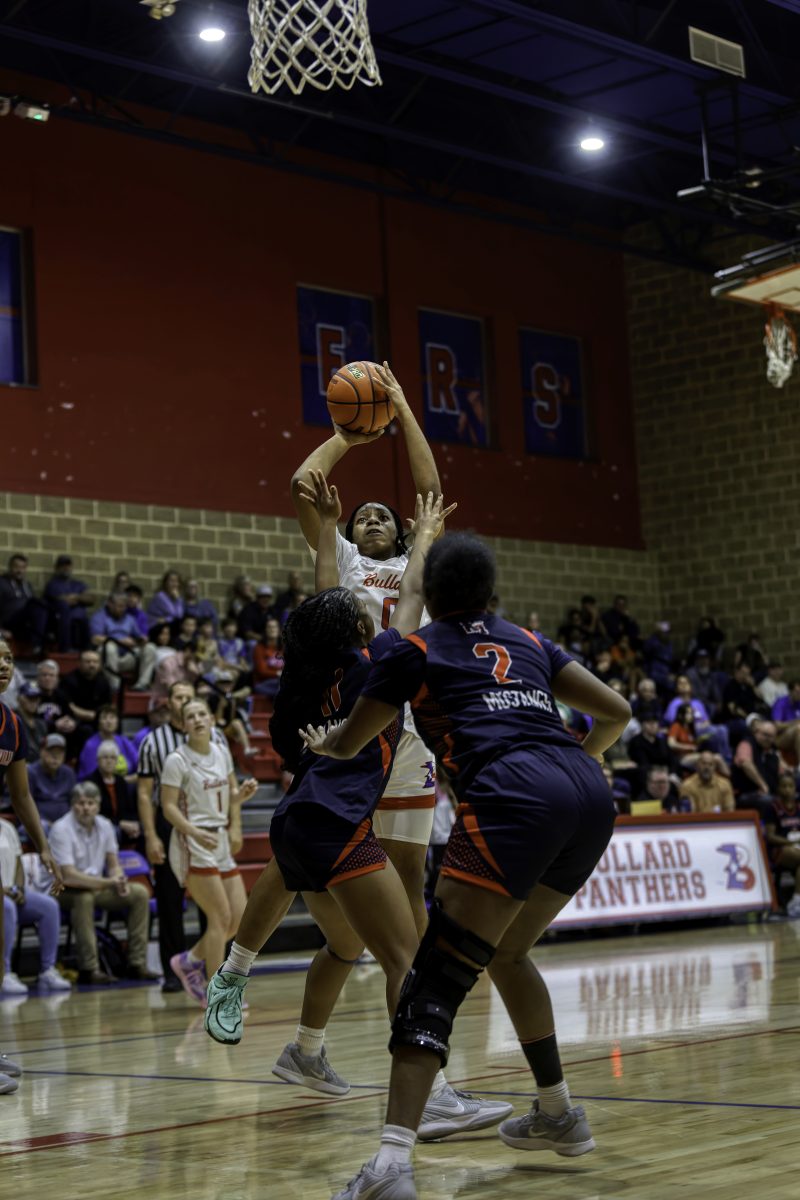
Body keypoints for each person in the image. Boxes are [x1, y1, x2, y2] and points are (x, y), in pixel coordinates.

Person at [298, 533, 630, 1200]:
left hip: (513, 795)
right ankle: (559, 1112)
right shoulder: (529, 640)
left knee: (435, 979)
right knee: (508, 954)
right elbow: (617, 712)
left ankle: (390, 1167)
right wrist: (577, 761)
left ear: (429, 594)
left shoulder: (414, 650)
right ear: (489, 591)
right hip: (588, 795)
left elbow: (355, 739)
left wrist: (327, 746)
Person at [207, 494, 506, 1140]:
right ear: (363, 630)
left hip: (298, 823)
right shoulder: (381, 664)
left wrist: (326, 533)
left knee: (346, 944)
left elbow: (325, 595)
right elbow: (412, 594)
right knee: (408, 961)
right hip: (338, 829)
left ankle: (284, 1026)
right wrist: (425, 539)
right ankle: (432, 1099)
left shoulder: (313, 670)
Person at [289, 363, 442, 938]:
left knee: (410, 876)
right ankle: (349, 953)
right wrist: (346, 439)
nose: (371, 520)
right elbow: (302, 485)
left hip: (411, 725)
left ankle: (415, 978)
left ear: (402, 531)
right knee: (346, 873)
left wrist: (400, 407)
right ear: (348, 533)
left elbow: (430, 494)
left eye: (382, 516)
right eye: (362, 518)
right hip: (352, 715)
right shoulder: (345, 559)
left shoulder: (417, 561)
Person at [0, 636, 65, 1095]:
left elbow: (21, 795)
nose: (4, 665)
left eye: (7, 658)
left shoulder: (11, 724)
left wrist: (43, 847)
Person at [160, 699, 256, 1004]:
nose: (198, 719)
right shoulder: (177, 760)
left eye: (202, 714)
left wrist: (239, 797)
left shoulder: (221, 752)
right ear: (182, 725)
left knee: (238, 918)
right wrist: (194, 831)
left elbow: (227, 797)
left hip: (219, 839)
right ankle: (219, 996)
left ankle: (188, 960)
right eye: (190, 716)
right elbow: (168, 807)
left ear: (212, 719)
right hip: (192, 841)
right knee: (219, 918)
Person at [136, 681, 229, 992]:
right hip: (172, 825)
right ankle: (173, 973)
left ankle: (205, 967)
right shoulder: (154, 742)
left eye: (190, 697)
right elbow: (145, 794)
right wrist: (151, 835)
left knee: (218, 910)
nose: (184, 702)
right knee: (170, 902)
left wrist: (234, 825)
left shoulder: (217, 739)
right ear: (169, 703)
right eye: (179, 698)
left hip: (210, 824)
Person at [50, 783, 157, 985]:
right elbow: (69, 876)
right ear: (72, 805)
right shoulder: (60, 829)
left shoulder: (105, 825)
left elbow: (113, 864)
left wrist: (120, 878)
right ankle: (89, 968)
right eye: (81, 803)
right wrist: (109, 882)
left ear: (98, 806)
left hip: (98, 886)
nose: (86, 808)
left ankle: (137, 963)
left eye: (90, 803)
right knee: (84, 898)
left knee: (139, 893)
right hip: (63, 890)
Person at [2, 818, 71, 994]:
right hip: (4, 896)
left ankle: (48, 970)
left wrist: (19, 889)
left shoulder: (7, 828)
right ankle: (4, 972)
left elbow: (18, 863)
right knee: (7, 907)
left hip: (11, 892)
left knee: (49, 906)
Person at [90, 592, 158, 692]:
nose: (122, 609)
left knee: (150, 647)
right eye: (119, 606)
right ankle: (115, 686)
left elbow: (138, 636)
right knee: (109, 646)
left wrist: (141, 639)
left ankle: (142, 684)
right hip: (106, 658)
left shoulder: (129, 618)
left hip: (127, 656)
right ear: (110, 604)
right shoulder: (99, 617)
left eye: (124, 606)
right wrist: (119, 641)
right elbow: (95, 639)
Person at [88, 740, 141, 847]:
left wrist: (133, 823)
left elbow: (129, 809)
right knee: (114, 831)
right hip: (100, 826)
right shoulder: (91, 783)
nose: (109, 761)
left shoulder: (120, 781)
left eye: (112, 758)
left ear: (117, 761)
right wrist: (120, 824)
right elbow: (95, 814)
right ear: (98, 760)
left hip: (123, 824)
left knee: (143, 830)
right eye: (105, 757)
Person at [58, 649, 113, 751]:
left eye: (95, 662)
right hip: (74, 721)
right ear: (79, 663)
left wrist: (95, 716)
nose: (92, 665)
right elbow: (70, 708)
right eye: (88, 662)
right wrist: (92, 715)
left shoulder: (104, 682)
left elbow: (107, 708)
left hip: (98, 721)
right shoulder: (69, 680)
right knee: (85, 730)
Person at [764, 775, 800, 918]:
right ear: (778, 789)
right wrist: (791, 843)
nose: (787, 789)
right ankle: (796, 902)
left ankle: (796, 902)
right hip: (779, 849)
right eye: (784, 786)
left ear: (795, 788)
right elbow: (770, 836)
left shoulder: (798, 806)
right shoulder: (772, 808)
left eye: (790, 786)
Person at [44, 555, 93, 652]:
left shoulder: (78, 584)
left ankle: (87, 649)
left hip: (80, 618)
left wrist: (76, 597)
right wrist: (79, 598)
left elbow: (91, 599)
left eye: (68, 565)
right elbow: (59, 600)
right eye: (62, 565)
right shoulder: (52, 584)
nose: (66, 568)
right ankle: (66, 648)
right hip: (60, 617)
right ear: (57, 568)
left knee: (85, 618)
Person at [0, 554, 48, 653]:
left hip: (24, 625)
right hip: (10, 622)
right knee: (35, 605)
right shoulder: (2, 583)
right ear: (10, 567)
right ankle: (37, 644)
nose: (19, 570)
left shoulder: (27, 585)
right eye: (16, 567)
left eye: (22, 567)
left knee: (41, 606)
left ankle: (39, 644)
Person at [77, 705, 137, 781]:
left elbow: (140, 764)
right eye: (104, 718)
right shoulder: (91, 745)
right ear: (98, 723)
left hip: (126, 784)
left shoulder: (124, 741)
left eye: (112, 717)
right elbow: (93, 777)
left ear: (117, 721)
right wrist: (124, 781)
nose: (109, 721)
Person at [28, 734, 77, 823]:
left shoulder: (69, 773)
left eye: (60, 752)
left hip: (66, 823)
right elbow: (25, 805)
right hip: (37, 823)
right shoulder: (30, 772)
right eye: (51, 752)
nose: (55, 757)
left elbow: (74, 802)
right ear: (41, 751)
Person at [13, 681, 47, 761]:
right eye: (30, 697)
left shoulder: (41, 724)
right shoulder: (10, 719)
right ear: (19, 698)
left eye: (36, 698)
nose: (34, 702)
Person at [252, 617, 284, 697]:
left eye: (274, 627)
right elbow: (262, 671)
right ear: (265, 630)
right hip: (263, 683)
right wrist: (278, 673)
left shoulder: (284, 648)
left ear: (279, 630)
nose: (272, 629)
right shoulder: (259, 648)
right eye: (269, 627)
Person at [771, 680, 800, 765]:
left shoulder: (798, 703)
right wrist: (796, 722)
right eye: (797, 692)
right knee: (798, 728)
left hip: (796, 735)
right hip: (779, 737)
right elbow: (777, 726)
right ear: (790, 691)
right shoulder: (781, 703)